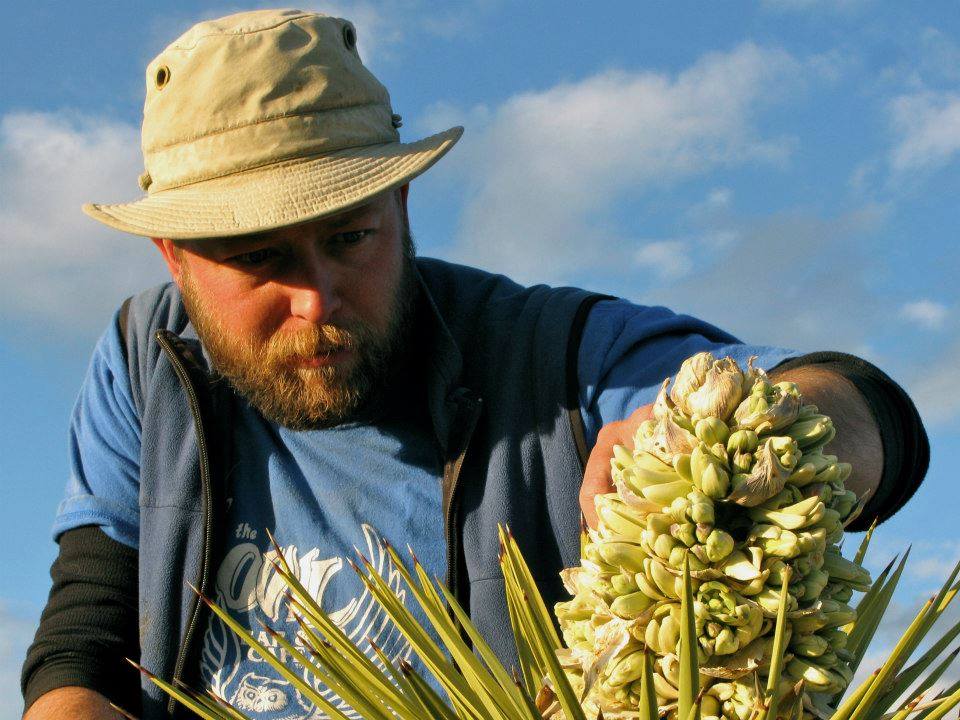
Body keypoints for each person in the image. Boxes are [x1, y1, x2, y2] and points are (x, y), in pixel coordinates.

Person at [20, 9, 929, 720]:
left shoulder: (551, 357)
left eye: (349, 238)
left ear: (402, 200)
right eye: (259, 260)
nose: (317, 298)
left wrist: (741, 442)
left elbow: (863, 405)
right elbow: (88, 628)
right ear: (174, 257)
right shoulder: (150, 360)